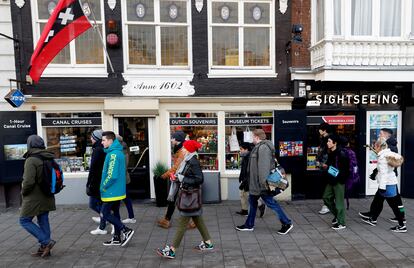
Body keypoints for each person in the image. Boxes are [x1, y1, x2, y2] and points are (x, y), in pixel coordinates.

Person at [156, 140, 213, 259]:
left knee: (182, 223)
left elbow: (199, 179)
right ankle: (208, 243)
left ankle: (172, 250)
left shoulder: (193, 162)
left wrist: (181, 178)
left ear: (188, 150)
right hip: (189, 195)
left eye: (184, 148)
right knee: (198, 220)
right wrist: (177, 178)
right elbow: (188, 176)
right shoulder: (188, 160)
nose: (182, 149)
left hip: (190, 196)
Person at [235, 129, 293, 235]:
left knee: (271, 203)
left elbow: (263, 168)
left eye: (252, 136)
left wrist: (263, 184)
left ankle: (287, 223)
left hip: (261, 185)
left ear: (257, 137)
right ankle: (249, 225)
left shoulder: (263, 148)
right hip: (255, 184)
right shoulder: (258, 147)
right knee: (252, 203)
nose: (251, 138)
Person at [19, 135, 56, 257]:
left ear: (30, 145)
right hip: (47, 194)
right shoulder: (48, 157)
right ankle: (45, 249)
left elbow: (28, 181)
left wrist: (23, 192)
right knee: (43, 220)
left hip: (34, 197)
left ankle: (46, 242)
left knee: (24, 220)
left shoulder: (31, 160)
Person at [359, 137, 406, 232]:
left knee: (394, 205)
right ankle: (373, 218)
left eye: (375, 146)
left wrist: (382, 187)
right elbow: (398, 159)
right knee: (379, 201)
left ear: (378, 146)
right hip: (391, 182)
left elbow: (384, 174)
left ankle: (402, 225)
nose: (374, 147)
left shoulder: (382, 158)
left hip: (387, 185)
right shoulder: (389, 154)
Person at [100, 131, 134, 246]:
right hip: (116, 190)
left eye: (104, 140)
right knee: (115, 213)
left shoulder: (113, 154)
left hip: (111, 191)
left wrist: (103, 186)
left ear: (110, 141)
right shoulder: (115, 152)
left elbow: (112, 175)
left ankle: (125, 230)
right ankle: (117, 238)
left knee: (105, 213)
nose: (102, 142)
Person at [157, 131, 195, 229]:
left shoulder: (182, 151)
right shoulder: (178, 148)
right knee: (174, 199)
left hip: (182, 178)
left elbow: (177, 167)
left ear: (177, 139)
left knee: (182, 200)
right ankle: (167, 220)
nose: (171, 139)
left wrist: (164, 175)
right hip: (179, 177)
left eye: (172, 138)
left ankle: (191, 222)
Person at [322, 134, 350, 230]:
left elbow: (344, 171)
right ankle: (338, 216)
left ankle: (341, 223)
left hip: (339, 181)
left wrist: (328, 168)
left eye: (329, 141)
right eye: (327, 141)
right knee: (326, 197)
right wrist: (326, 167)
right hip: (331, 180)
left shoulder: (341, 154)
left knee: (339, 203)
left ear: (335, 143)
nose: (327, 143)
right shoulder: (330, 152)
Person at [86, 129, 108, 235]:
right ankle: (103, 222)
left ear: (96, 138)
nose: (90, 139)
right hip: (100, 181)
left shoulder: (98, 150)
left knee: (93, 204)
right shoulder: (102, 149)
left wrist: (88, 183)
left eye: (92, 137)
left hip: (97, 182)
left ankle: (107, 219)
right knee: (100, 204)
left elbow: (93, 169)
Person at [236, 142, 266, 217]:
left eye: (241, 149)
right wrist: (241, 177)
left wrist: (246, 180)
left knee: (249, 194)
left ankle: (260, 205)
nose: (240, 151)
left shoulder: (250, 157)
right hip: (244, 179)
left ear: (246, 149)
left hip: (249, 180)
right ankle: (245, 210)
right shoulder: (245, 156)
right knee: (243, 194)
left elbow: (250, 170)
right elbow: (243, 169)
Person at [116, 135, 136, 224]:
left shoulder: (122, 152)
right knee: (125, 198)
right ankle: (131, 217)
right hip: (123, 178)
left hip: (121, 179)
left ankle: (109, 217)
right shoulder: (123, 149)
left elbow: (122, 167)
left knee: (120, 200)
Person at [317, 123, 333, 215]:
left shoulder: (328, 139)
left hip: (327, 166)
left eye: (320, 129)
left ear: (324, 130)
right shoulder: (323, 139)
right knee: (327, 184)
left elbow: (327, 153)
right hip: (325, 166)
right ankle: (328, 204)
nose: (319, 131)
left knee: (327, 185)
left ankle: (327, 205)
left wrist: (324, 164)